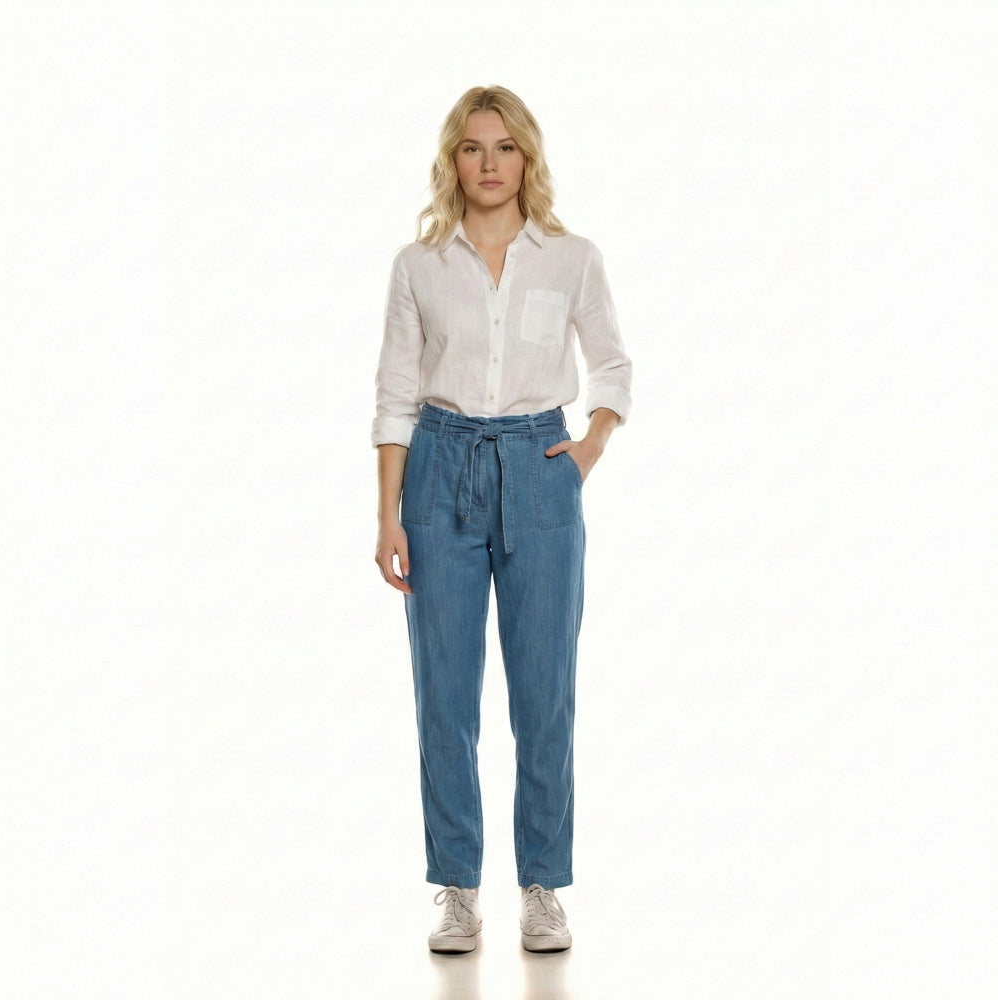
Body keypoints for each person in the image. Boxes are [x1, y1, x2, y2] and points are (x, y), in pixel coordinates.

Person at [372, 85, 632, 954]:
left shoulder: (572, 258)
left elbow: (613, 367)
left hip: (538, 466)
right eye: (473, 147)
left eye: (506, 146)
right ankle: (456, 887)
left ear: (528, 157)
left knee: (544, 691)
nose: (490, 163)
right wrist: (388, 516)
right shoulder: (418, 265)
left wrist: (588, 447)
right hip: (438, 468)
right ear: (453, 160)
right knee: (444, 694)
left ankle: (542, 885)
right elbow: (395, 395)